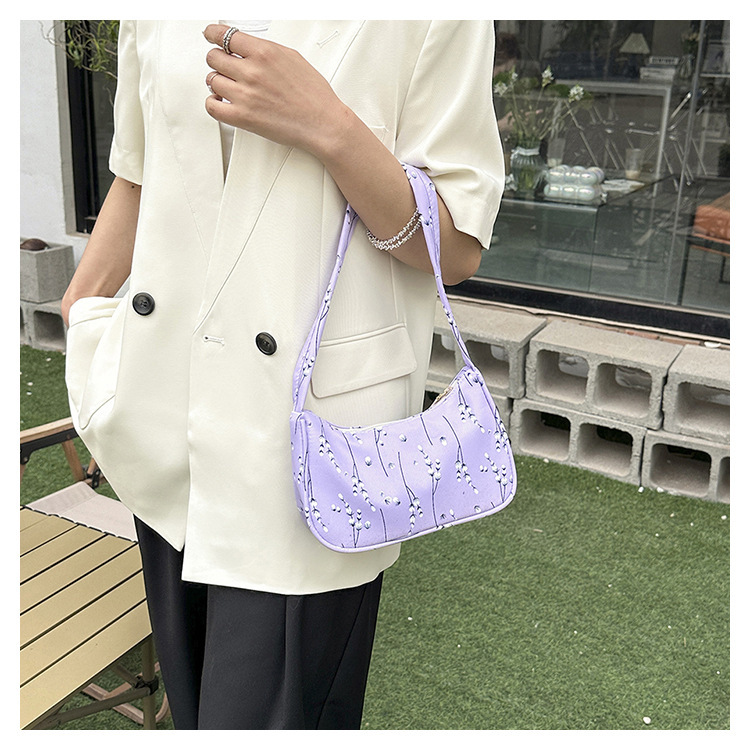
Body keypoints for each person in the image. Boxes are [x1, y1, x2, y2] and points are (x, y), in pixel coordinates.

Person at [62, 20, 504, 730]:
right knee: (194, 713)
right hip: (163, 420)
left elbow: (454, 248)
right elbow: (139, 170)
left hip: (308, 456)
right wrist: (82, 309)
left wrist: (328, 124)